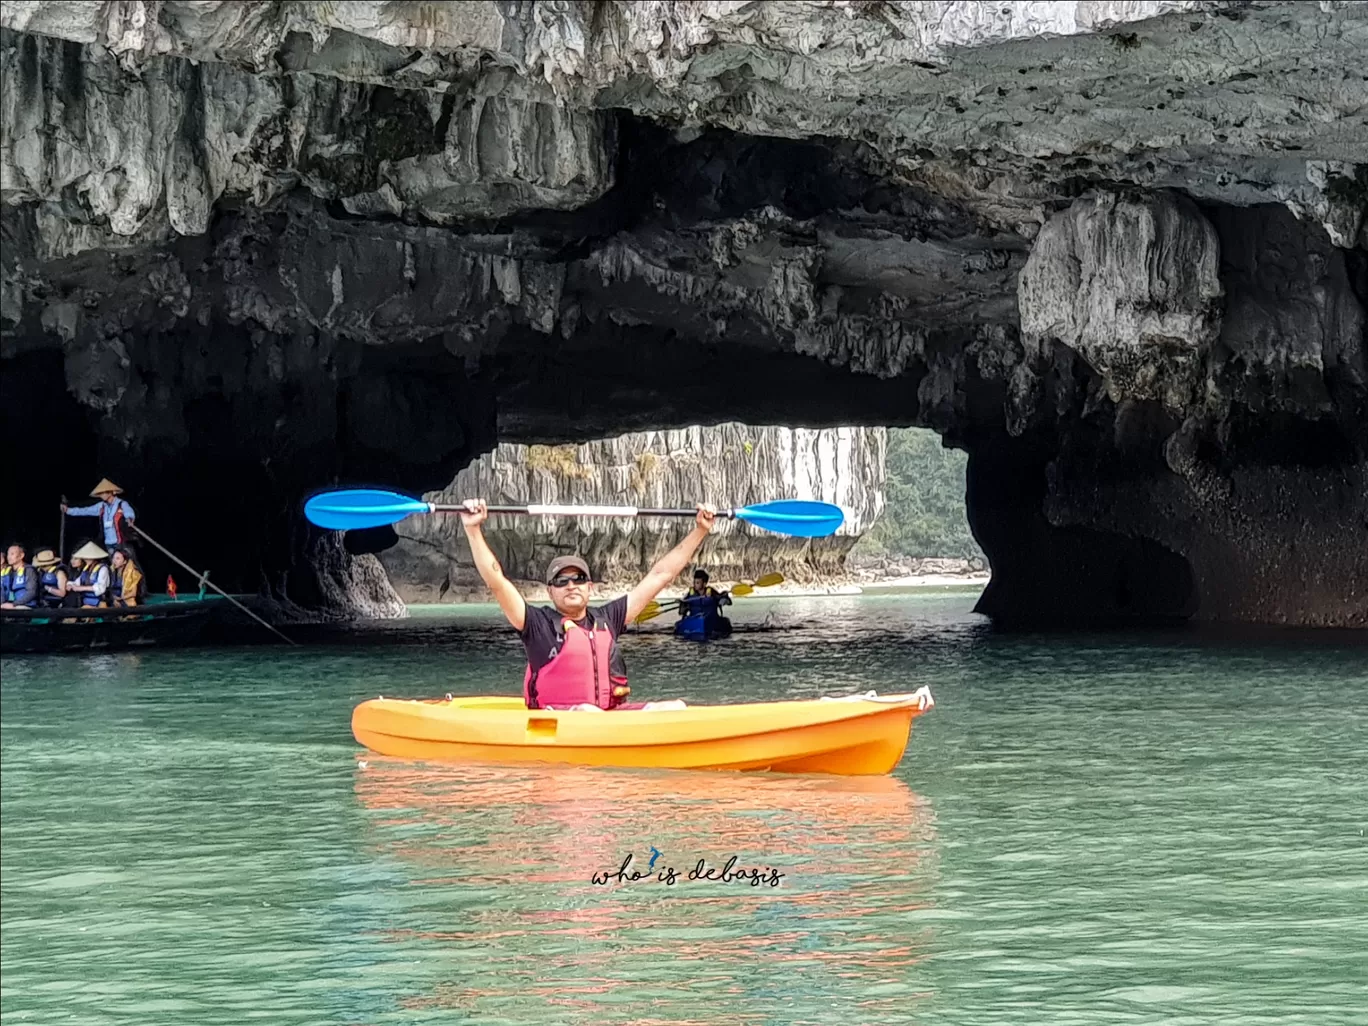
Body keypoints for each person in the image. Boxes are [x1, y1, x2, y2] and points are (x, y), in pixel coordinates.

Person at [460, 499, 717, 710]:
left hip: (606, 718)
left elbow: (660, 575)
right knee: (587, 711)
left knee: (675, 707)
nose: (571, 585)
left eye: (578, 579)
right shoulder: (537, 625)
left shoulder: (608, 618)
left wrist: (701, 530)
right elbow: (496, 580)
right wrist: (473, 530)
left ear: (589, 587)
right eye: (561, 581)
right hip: (557, 721)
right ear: (550, 591)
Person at [62, 478, 136, 549]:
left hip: (121, 541)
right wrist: (68, 510)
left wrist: (129, 518)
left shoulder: (121, 504)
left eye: (103, 492)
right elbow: (86, 510)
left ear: (111, 492)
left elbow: (128, 511)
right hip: (108, 542)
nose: (101, 495)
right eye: (100, 493)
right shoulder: (101, 506)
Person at [677, 569, 733, 637]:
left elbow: (728, 601)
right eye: (694, 582)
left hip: (711, 620)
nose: (695, 585)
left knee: (724, 622)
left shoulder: (712, 592)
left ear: (704, 583)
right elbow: (681, 612)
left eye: (698, 583)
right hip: (695, 620)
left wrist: (724, 599)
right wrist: (682, 605)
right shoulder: (690, 594)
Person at [65, 541, 112, 608]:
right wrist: (70, 585)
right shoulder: (86, 569)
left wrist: (81, 588)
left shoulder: (103, 569)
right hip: (86, 601)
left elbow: (100, 588)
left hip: (99, 603)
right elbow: (78, 582)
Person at [1, 544, 41, 608]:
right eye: (8, 554)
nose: (9, 557)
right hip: (9, 605)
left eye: (12, 554)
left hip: (26, 606)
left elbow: (32, 592)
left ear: (21, 555)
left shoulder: (29, 570)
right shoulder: (7, 572)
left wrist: (14, 604)